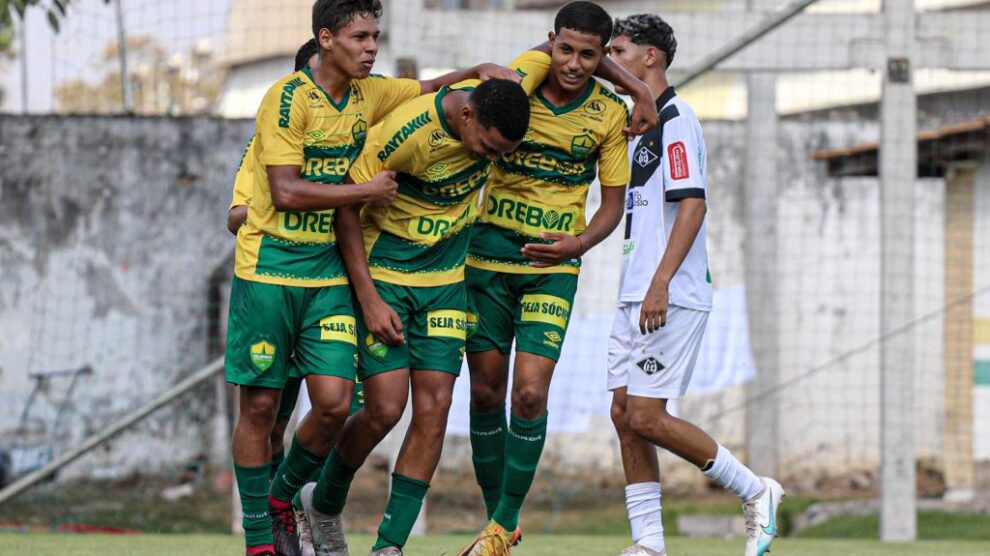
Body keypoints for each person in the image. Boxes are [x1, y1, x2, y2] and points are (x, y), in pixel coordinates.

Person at [225, 1, 521, 554]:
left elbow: (427, 86)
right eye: (360, 37)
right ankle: (261, 536)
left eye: (375, 37)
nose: (371, 47)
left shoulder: (371, 94)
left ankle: (295, 501)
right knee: (265, 408)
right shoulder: (285, 100)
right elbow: (279, 194)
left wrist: (479, 68)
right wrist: (361, 193)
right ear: (325, 39)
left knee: (336, 404)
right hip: (269, 270)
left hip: (330, 275)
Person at [298, 65, 544, 555]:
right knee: (384, 409)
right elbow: (347, 207)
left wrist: (640, 88)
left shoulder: (498, 103)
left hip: (446, 286)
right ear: (467, 114)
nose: (492, 159)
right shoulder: (406, 133)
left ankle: (389, 546)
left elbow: (565, 43)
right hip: (386, 279)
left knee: (434, 409)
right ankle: (321, 503)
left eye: (502, 155)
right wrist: (368, 299)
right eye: (490, 149)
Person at [459, 2, 657, 554]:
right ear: (551, 42)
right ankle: (495, 517)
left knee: (528, 394)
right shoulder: (523, 78)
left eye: (589, 54)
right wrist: (642, 91)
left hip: (552, 269)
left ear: (602, 55)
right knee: (485, 393)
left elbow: (612, 206)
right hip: (487, 260)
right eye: (565, 49)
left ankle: (501, 527)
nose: (573, 63)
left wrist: (580, 244)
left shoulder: (609, 116)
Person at [606, 14, 783, 556]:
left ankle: (756, 491)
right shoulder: (635, 122)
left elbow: (694, 202)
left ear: (650, 57)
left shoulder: (677, 118)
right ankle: (649, 544)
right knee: (623, 413)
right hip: (633, 290)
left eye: (618, 50)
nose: (608, 60)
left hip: (670, 293)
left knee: (647, 415)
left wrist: (661, 283)